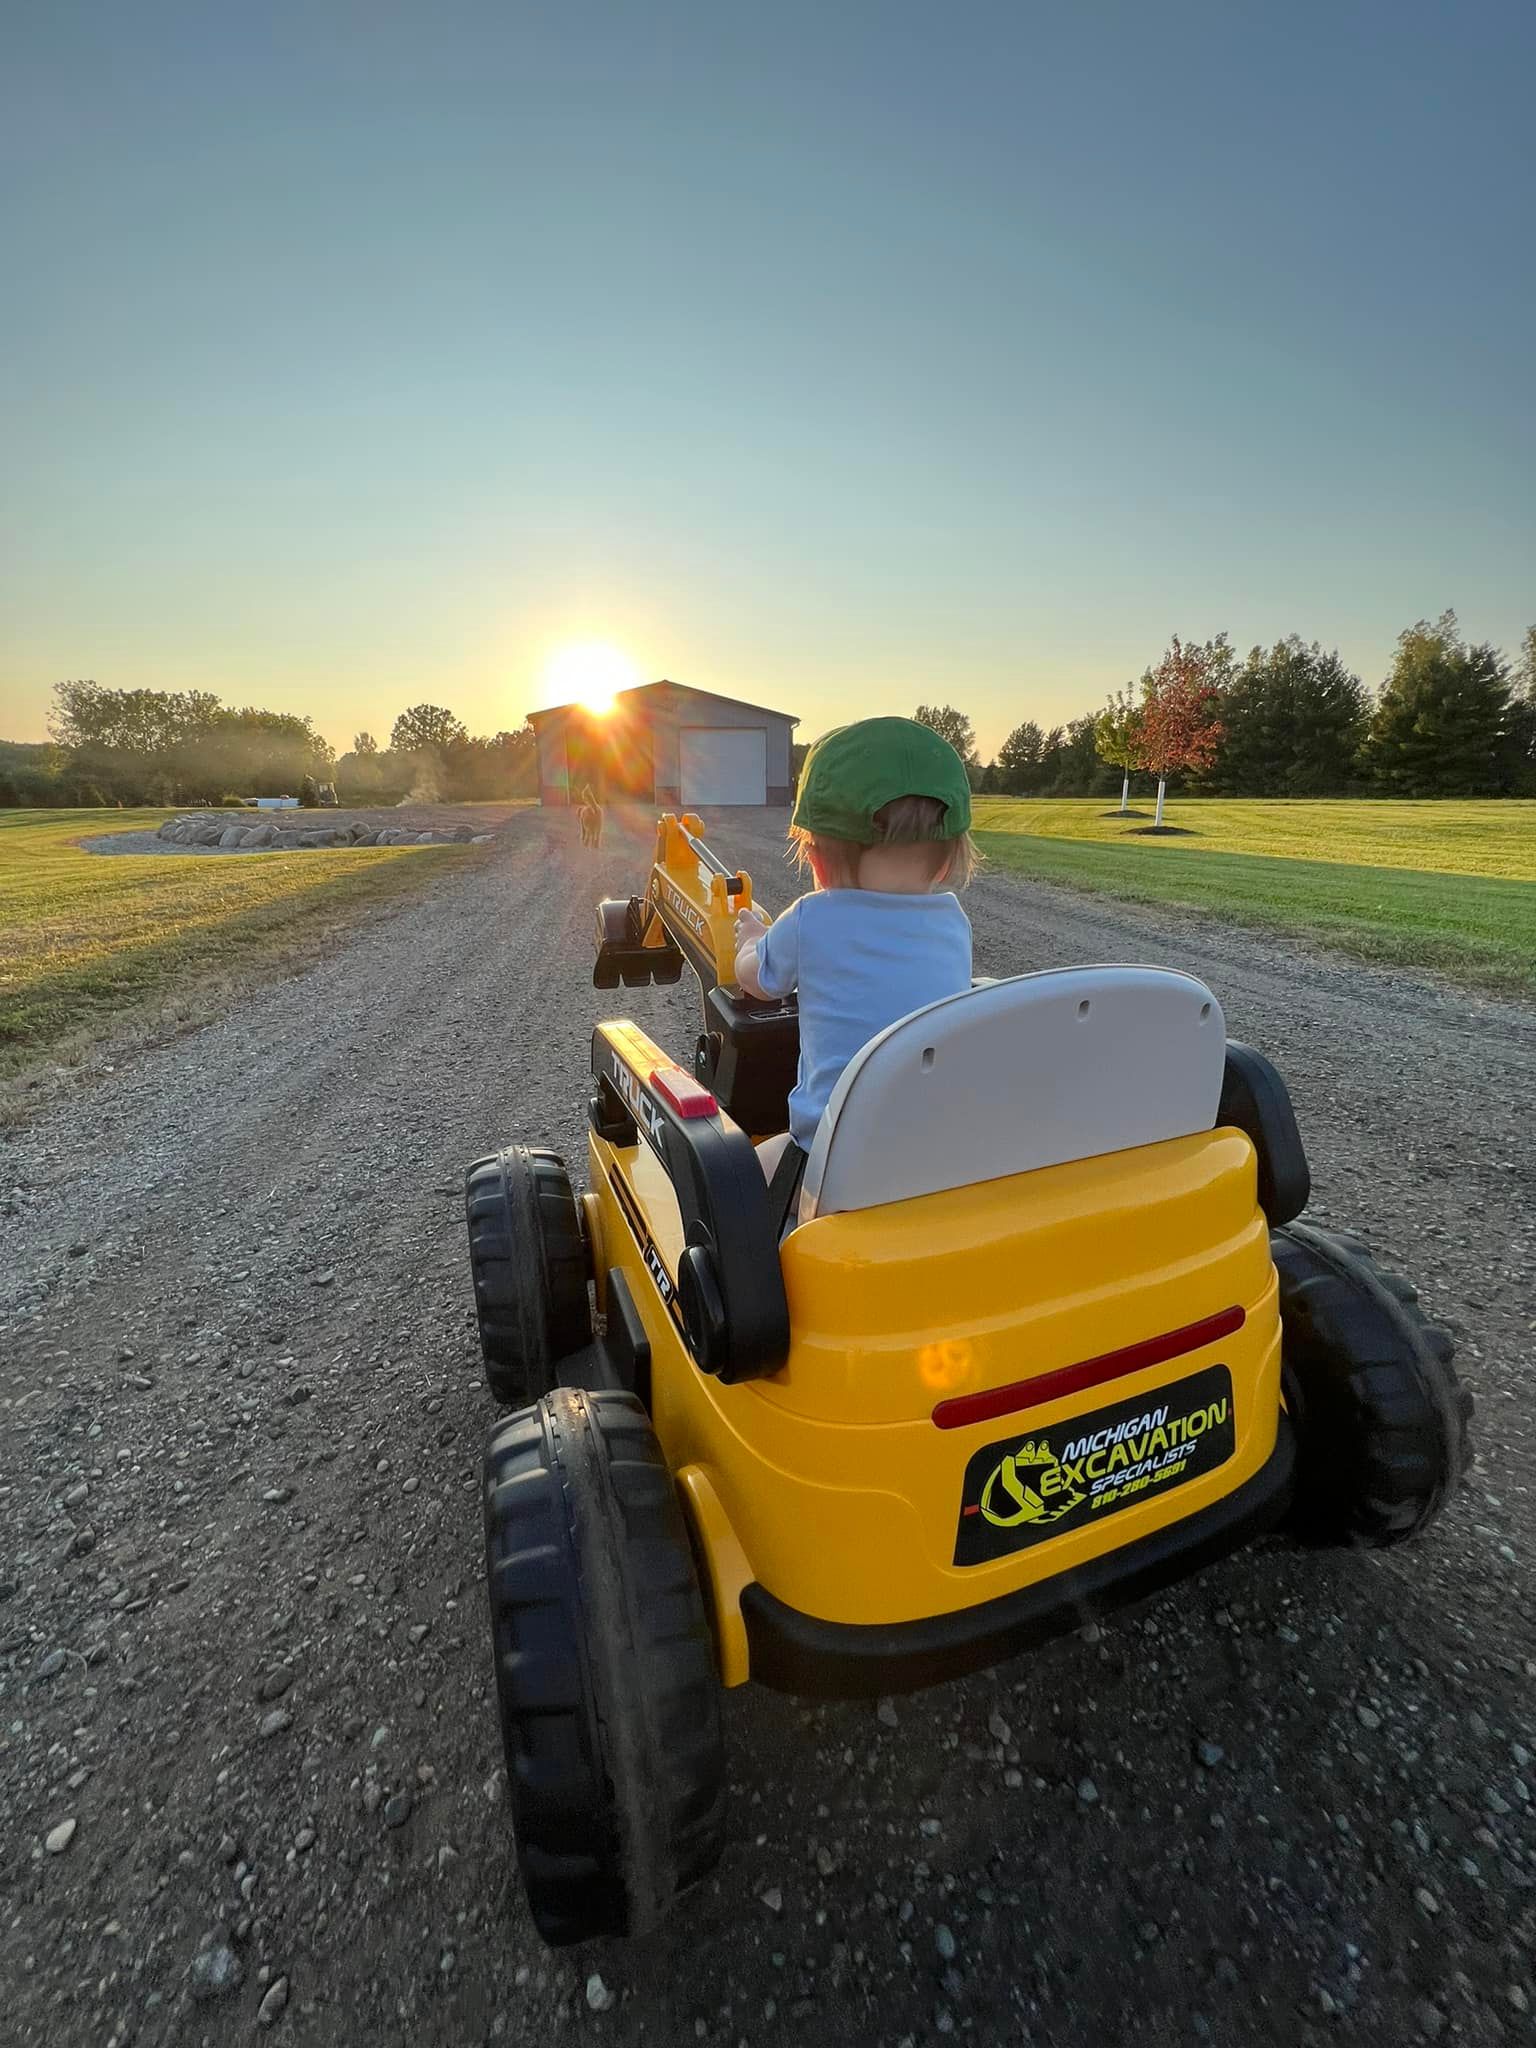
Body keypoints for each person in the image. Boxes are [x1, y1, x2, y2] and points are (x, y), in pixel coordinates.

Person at [733, 717, 977, 1196]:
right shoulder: (953, 922)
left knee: (744, 1173)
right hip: (933, 1154)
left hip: (832, 1155)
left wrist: (750, 940)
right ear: (947, 859)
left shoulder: (810, 917)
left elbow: (757, 981)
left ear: (818, 860)